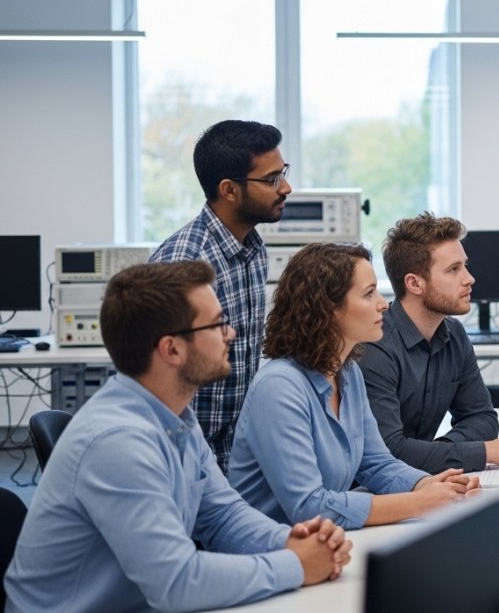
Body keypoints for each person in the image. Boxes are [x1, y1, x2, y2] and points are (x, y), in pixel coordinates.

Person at [4, 261, 351, 612]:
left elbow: (222, 517)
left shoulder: (174, 415)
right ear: (171, 349)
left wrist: (293, 541)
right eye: (218, 323)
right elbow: (177, 583)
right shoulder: (117, 442)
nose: (230, 333)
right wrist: (296, 565)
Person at [228, 242, 479, 529]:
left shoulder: (348, 374)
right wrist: (420, 502)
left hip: (324, 542)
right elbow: (309, 507)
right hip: (269, 547)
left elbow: (376, 463)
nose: (383, 304)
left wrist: (431, 485)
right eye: (369, 293)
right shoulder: (279, 388)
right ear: (328, 308)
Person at [150, 119, 293, 473]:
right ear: (229, 190)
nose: (286, 187)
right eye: (271, 179)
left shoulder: (253, 249)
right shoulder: (184, 262)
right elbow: (160, 389)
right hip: (184, 458)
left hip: (233, 454)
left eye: (283, 173)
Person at [359, 212, 499, 474]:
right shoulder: (375, 346)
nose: (469, 278)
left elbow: (483, 418)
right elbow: (389, 451)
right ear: (414, 283)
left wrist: (440, 452)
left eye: (464, 266)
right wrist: (485, 451)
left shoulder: (454, 334)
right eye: (453, 269)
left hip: (421, 481)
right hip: (369, 489)